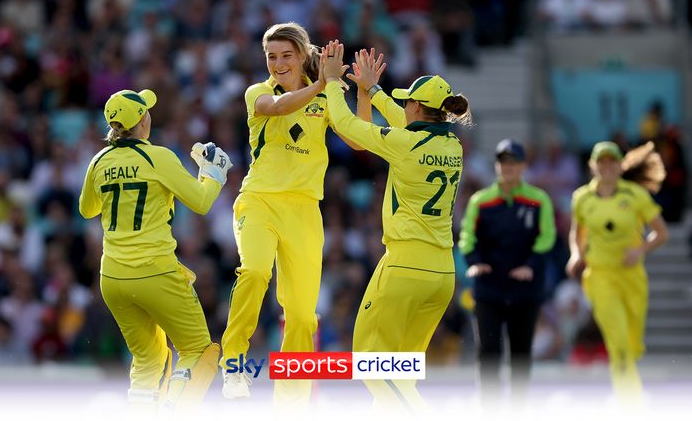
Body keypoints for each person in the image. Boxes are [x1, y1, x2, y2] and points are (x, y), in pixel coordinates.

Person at [321, 41, 471, 411]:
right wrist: (370, 90)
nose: (403, 106)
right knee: (399, 372)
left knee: (371, 364)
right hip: (442, 273)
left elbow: (346, 125)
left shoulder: (405, 144)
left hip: (405, 266)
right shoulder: (454, 145)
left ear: (418, 107)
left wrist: (330, 83)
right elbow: (402, 119)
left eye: (408, 101)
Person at [220, 22, 358, 405]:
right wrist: (323, 83)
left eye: (286, 55)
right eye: (271, 57)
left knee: (301, 316)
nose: (278, 64)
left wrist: (361, 91)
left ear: (300, 56)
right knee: (255, 271)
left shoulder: (325, 98)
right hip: (260, 201)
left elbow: (355, 138)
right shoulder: (258, 93)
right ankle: (233, 366)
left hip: (305, 210)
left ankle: (292, 404)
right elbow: (279, 106)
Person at [79, 88, 233, 414]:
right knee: (198, 350)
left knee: (148, 360)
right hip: (155, 272)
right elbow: (202, 202)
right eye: (146, 110)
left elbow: (87, 209)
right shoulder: (158, 157)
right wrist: (214, 172)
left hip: (112, 278)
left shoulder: (99, 161)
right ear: (143, 120)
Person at [566, 141, 669, 402]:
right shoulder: (582, 198)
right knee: (618, 341)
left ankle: (627, 392)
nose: (606, 166)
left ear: (620, 165)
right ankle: (630, 402)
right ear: (592, 166)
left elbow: (662, 233)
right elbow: (577, 234)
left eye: (611, 161)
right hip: (600, 276)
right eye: (601, 161)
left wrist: (640, 250)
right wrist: (577, 255)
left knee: (632, 346)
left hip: (632, 277)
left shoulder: (635, 195)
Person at [458, 139, 556, 406]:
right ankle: (488, 408)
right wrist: (474, 262)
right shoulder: (481, 201)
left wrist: (530, 267)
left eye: (513, 162)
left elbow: (546, 237)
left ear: (523, 166)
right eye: (503, 161)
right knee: (488, 351)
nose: (508, 167)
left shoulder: (538, 200)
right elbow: (467, 237)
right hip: (489, 288)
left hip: (525, 289)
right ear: (496, 165)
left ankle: (518, 408)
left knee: (521, 352)